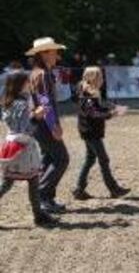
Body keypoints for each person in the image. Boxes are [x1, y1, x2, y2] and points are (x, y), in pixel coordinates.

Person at [0, 72, 57, 227]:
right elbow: (25, 128)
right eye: (27, 82)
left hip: (13, 144)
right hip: (21, 145)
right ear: (20, 84)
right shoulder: (21, 103)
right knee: (13, 181)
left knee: (24, 180)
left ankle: (39, 214)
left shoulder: (10, 100)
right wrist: (36, 117)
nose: (30, 84)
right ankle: (39, 215)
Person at [72, 67, 130, 200]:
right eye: (100, 78)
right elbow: (93, 113)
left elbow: (98, 107)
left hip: (90, 131)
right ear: (93, 79)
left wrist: (112, 107)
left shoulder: (90, 92)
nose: (103, 80)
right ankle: (114, 189)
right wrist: (111, 113)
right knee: (104, 160)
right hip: (90, 132)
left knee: (90, 159)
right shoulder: (87, 94)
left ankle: (79, 189)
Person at [26, 37, 69, 214]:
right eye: (54, 51)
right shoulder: (43, 74)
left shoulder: (37, 73)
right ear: (44, 54)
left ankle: (46, 199)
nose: (57, 55)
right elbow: (45, 102)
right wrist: (53, 125)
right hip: (43, 123)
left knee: (49, 159)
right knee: (61, 159)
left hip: (37, 123)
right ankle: (43, 196)